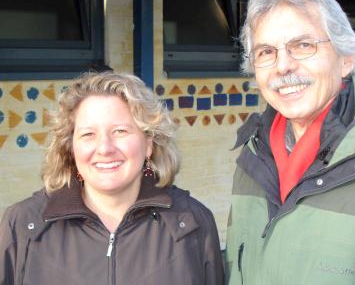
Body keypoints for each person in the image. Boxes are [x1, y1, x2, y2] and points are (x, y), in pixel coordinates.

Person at [225, 0, 355, 285]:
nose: (283, 66)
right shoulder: (253, 156)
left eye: (302, 45)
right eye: (266, 52)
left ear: (346, 58)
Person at [0, 72, 224, 285]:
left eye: (120, 131)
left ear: (148, 143)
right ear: (70, 148)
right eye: (88, 134)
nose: (105, 148)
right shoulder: (22, 226)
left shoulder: (193, 223)